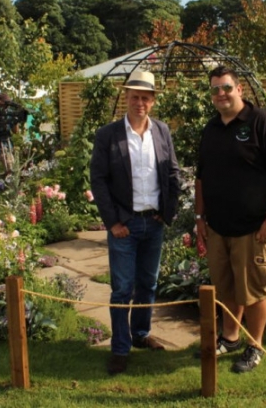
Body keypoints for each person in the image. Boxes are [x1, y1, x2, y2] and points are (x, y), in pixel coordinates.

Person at [195, 65, 266, 373]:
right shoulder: (211, 129)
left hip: (254, 229)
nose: (221, 94)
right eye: (215, 89)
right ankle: (230, 337)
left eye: (226, 87)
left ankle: (255, 346)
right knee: (225, 289)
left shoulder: (262, 123)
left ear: (240, 89)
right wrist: (200, 217)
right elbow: (201, 177)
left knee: (253, 291)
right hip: (218, 228)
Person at [90, 70, 180, 376]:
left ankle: (141, 335)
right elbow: (99, 181)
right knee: (122, 289)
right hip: (124, 227)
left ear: (153, 101)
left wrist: (167, 213)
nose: (139, 102)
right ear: (126, 98)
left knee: (148, 285)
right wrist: (113, 222)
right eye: (134, 97)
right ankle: (120, 348)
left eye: (145, 97)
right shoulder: (108, 135)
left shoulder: (163, 132)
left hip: (153, 224)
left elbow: (172, 174)